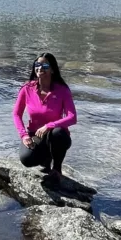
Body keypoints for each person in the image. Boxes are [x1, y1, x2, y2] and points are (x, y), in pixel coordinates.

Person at [14, 52, 76, 182]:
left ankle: (57, 169)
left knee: (58, 132)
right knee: (26, 159)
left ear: (52, 69)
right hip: (35, 135)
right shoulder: (27, 88)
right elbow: (16, 114)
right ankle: (47, 160)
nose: (40, 68)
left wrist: (49, 126)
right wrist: (24, 135)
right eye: (37, 64)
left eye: (45, 65)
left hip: (56, 135)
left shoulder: (62, 90)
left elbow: (72, 117)